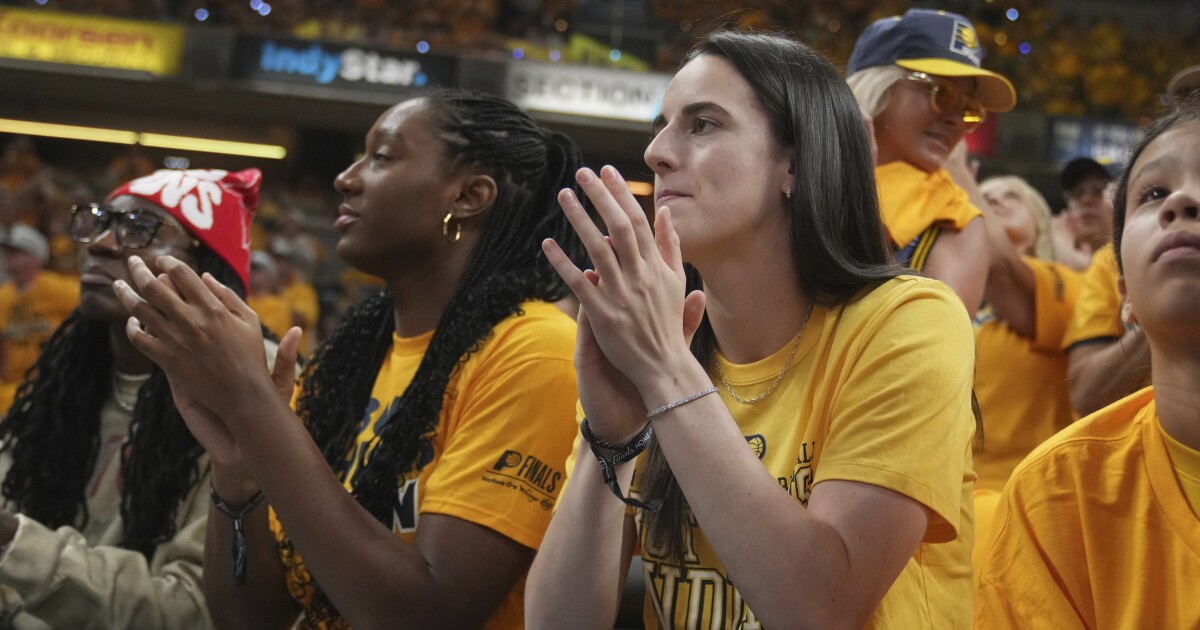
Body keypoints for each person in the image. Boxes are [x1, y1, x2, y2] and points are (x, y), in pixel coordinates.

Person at [526, 31, 977, 628]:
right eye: (660, 127)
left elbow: (821, 611)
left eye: (702, 124)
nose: (657, 152)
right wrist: (609, 439)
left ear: (795, 162)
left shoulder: (910, 321)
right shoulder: (664, 343)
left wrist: (664, 372)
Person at [115, 90, 588, 628]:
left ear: (468, 196)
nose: (345, 178)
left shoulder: (535, 352)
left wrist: (253, 407)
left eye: (381, 157)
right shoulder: (350, 359)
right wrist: (237, 472)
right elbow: (249, 620)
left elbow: (427, 616)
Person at [0, 168, 267, 628]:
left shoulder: (255, 399)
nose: (102, 244)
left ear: (209, 272)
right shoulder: (65, 379)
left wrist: (15, 546)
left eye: (140, 229)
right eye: (100, 222)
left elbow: (195, 610)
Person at [975, 102, 1200, 629]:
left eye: (1009, 197)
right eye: (1154, 193)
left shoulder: (1054, 283)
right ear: (1124, 294)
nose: (1184, 200)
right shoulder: (1056, 496)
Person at [847, 8, 1016, 310]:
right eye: (942, 94)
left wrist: (856, 196)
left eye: (969, 111)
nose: (956, 121)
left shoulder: (957, 220)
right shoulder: (793, 168)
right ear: (876, 86)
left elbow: (929, 332)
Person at [973, 176, 1082, 493]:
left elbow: (999, 268)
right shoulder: (949, 293)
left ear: (1040, 226)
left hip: (1023, 492)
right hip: (946, 494)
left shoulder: (1068, 284)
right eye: (985, 197)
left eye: (1012, 196)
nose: (995, 200)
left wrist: (953, 169)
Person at [0, 224, 78, 413]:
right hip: (12, 389)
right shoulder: (3, 297)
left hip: (54, 383)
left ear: (36, 256)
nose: (9, 258)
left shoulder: (63, 289)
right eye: (7, 252)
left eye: (17, 252)